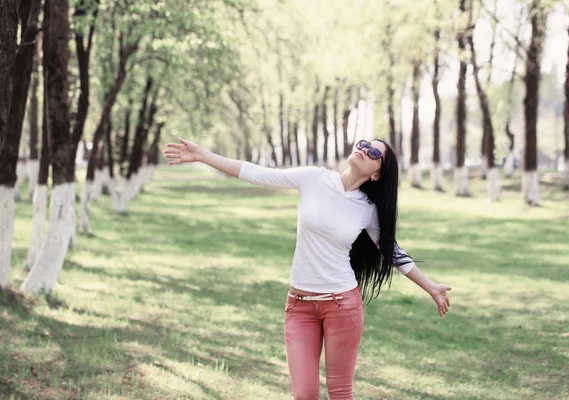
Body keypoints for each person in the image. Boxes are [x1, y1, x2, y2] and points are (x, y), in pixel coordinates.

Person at [163, 138, 452, 400]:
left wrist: (431, 287)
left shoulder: (367, 209)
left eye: (374, 152)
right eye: (364, 143)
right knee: (305, 395)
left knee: (340, 392)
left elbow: (392, 252)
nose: (364, 149)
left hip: (342, 306)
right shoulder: (314, 178)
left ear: (377, 173)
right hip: (299, 306)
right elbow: (256, 172)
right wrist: (202, 155)